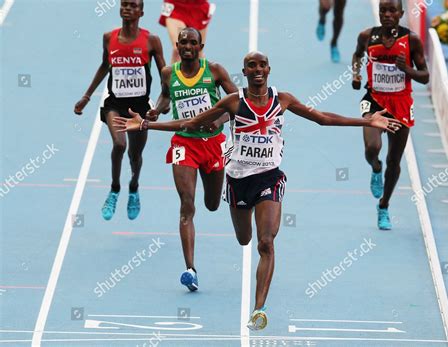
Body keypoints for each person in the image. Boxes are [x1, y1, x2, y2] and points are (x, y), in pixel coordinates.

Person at [114, 51, 402, 330]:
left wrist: (367, 120)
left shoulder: (283, 99)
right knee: (244, 239)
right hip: (239, 181)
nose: (257, 69)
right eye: (251, 65)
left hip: (269, 178)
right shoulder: (232, 103)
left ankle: (259, 309)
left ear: (268, 69)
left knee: (265, 242)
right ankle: (243, 247)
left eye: (262, 64)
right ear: (245, 71)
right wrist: (146, 124)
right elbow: (190, 123)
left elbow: (322, 118)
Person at [146, 27, 237, 292]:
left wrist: (218, 119)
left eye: (192, 42)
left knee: (211, 204)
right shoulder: (168, 73)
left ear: (200, 46)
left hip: (213, 144)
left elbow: (238, 104)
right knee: (187, 205)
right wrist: (155, 110)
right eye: (183, 42)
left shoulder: (215, 71)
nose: (187, 46)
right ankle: (190, 269)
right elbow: (165, 95)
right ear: (177, 44)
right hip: (184, 143)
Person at [74, 0, 166, 221]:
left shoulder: (151, 41)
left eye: (133, 6)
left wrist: (165, 102)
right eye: (124, 4)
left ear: (141, 12)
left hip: (141, 107)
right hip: (114, 104)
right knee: (119, 144)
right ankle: (115, 189)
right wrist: (87, 96)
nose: (127, 8)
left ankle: (133, 188)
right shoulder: (109, 37)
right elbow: (105, 65)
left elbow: (166, 73)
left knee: (135, 155)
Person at [352, 0, 429, 230]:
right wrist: (356, 76)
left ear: (400, 13)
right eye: (383, 10)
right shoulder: (367, 36)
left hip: (401, 104)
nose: (386, 14)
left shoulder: (411, 40)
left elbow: (425, 76)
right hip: (374, 100)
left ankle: (384, 205)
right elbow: (357, 56)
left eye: (391, 11)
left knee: (394, 161)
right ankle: (375, 168)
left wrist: (407, 69)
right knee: (372, 148)